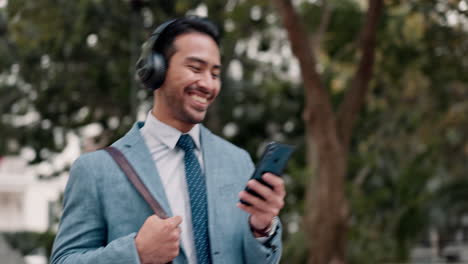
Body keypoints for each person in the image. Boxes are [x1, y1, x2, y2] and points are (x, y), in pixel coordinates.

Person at [51, 16, 286, 264]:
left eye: (215, 74)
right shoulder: (95, 170)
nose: (207, 84)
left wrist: (261, 228)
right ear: (156, 69)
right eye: (195, 68)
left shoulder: (238, 162)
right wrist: (136, 253)